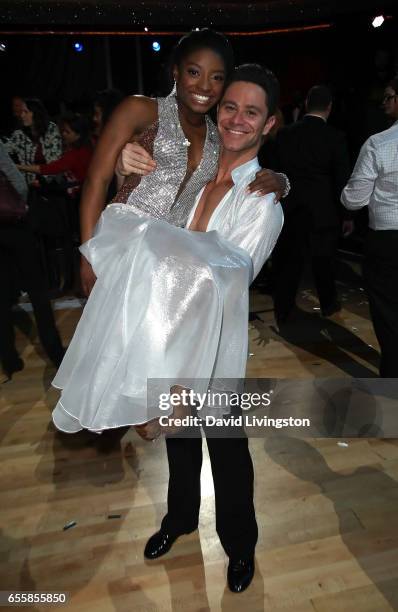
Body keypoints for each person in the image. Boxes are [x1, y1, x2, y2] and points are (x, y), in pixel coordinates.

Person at [51, 58, 283, 592]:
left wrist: (179, 383)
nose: (237, 120)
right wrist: (127, 173)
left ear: (269, 123)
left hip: (213, 349)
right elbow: (141, 235)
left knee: (227, 451)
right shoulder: (193, 174)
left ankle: (240, 545)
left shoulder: (263, 203)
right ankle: (180, 520)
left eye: (252, 113)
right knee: (179, 444)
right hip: (167, 336)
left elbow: (222, 286)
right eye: (230, 107)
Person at [78, 29, 288, 297]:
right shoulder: (140, 109)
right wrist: (88, 252)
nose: (203, 86)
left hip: (162, 264)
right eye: (194, 72)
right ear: (176, 72)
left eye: (216, 78)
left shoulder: (218, 136)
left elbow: (242, 164)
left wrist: (282, 181)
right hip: (120, 242)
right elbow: (97, 179)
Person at [269, 85, 351, 323]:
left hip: (291, 206)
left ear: (306, 103)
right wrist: (347, 215)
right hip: (323, 209)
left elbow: (276, 171)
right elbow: (342, 178)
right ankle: (328, 304)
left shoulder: (286, 134)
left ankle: (283, 310)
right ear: (329, 107)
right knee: (324, 261)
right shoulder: (335, 137)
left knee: (289, 261)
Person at [341, 77, 398, 377]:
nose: (384, 102)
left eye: (389, 97)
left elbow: (354, 200)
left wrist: (345, 195)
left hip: (387, 241)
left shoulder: (379, 143)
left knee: (388, 313)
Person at [0, 142, 65, 378]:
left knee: (1, 296)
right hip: (14, 224)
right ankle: (55, 353)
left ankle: (9, 359)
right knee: (37, 291)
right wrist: (23, 206)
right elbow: (15, 179)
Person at [17, 112, 93, 197]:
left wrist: (18, 167)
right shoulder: (83, 147)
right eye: (63, 130)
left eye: (67, 132)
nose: (63, 134)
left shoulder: (75, 154)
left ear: (78, 135)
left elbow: (48, 169)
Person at [2, 98, 62, 185]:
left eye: (26, 112)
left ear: (36, 114)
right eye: (21, 112)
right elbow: (4, 150)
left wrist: (42, 180)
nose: (22, 115)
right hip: (29, 185)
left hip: (50, 183)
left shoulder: (51, 130)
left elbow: (54, 164)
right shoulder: (19, 134)